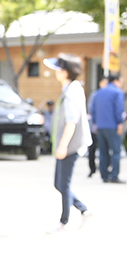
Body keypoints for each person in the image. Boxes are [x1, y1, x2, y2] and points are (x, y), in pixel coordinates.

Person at [46, 54, 91, 231]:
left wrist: (63, 145)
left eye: (58, 69)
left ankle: (64, 221)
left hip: (71, 145)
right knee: (59, 183)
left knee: (63, 184)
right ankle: (84, 210)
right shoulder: (71, 88)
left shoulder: (71, 92)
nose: (55, 72)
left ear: (65, 72)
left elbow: (71, 121)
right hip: (69, 144)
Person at [90, 71, 126, 182]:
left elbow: (93, 110)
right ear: (116, 80)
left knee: (103, 152)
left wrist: (95, 123)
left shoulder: (99, 92)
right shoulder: (117, 92)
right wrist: (120, 123)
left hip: (100, 126)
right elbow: (119, 109)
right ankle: (114, 176)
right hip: (112, 126)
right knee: (115, 151)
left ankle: (104, 175)